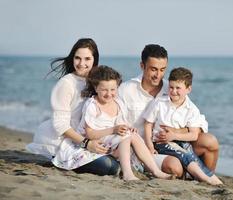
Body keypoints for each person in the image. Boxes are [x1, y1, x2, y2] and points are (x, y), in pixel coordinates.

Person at [118, 44, 220, 177]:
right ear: (142, 66)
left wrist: (176, 132)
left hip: (176, 142)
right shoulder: (126, 90)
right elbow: (115, 122)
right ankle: (191, 172)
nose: (158, 75)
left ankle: (208, 179)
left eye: (162, 70)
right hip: (144, 148)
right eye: (153, 69)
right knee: (175, 167)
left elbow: (199, 123)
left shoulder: (172, 88)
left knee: (210, 141)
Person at [26, 38, 120, 176]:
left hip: (91, 136)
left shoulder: (98, 82)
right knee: (110, 167)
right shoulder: (66, 84)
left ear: (95, 60)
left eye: (87, 59)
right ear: (72, 59)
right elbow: (60, 125)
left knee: (123, 157)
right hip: (65, 140)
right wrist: (87, 144)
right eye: (77, 58)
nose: (82, 64)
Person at [66, 65, 171, 180]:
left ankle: (156, 171)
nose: (109, 94)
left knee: (132, 135)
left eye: (113, 90)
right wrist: (114, 129)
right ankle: (127, 174)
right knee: (125, 136)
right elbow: (90, 134)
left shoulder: (118, 103)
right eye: (104, 90)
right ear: (96, 88)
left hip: (111, 140)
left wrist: (129, 128)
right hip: (94, 141)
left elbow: (121, 125)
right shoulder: (92, 105)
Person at [143, 67, 222, 185]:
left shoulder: (191, 108)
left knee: (188, 152)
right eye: (171, 87)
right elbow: (148, 124)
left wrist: (174, 135)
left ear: (188, 89)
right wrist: (150, 146)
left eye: (178, 88)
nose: (174, 91)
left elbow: (194, 135)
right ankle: (205, 178)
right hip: (161, 143)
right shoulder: (160, 103)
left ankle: (212, 178)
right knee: (184, 153)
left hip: (180, 142)